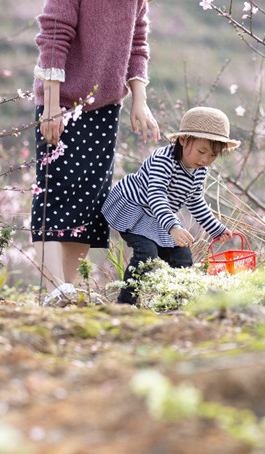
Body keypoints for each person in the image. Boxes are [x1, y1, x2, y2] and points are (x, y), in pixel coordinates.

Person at [32, 0, 184, 307]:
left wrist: (140, 99)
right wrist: (50, 105)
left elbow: (138, 44)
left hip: (105, 110)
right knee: (55, 196)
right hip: (62, 106)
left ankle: (70, 290)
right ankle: (52, 292)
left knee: (87, 203)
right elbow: (54, 36)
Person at [102, 106, 240, 305]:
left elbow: (195, 200)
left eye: (213, 155)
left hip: (161, 218)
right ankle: (125, 304)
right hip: (136, 210)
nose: (205, 160)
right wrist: (173, 227)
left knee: (182, 257)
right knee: (146, 254)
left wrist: (216, 229)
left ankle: (174, 303)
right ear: (183, 140)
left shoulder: (199, 169)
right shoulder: (163, 160)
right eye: (202, 151)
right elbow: (156, 196)